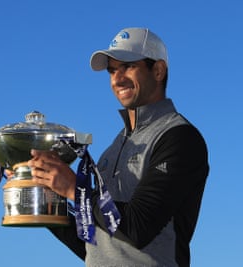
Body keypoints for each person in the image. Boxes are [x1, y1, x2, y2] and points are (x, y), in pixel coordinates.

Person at [27, 27, 209, 267]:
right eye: (112, 70)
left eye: (128, 66)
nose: (117, 78)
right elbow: (94, 243)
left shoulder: (179, 137)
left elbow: (138, 227)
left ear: (158, 70)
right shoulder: (113, 148)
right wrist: (44, 198)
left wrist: (73, 188)